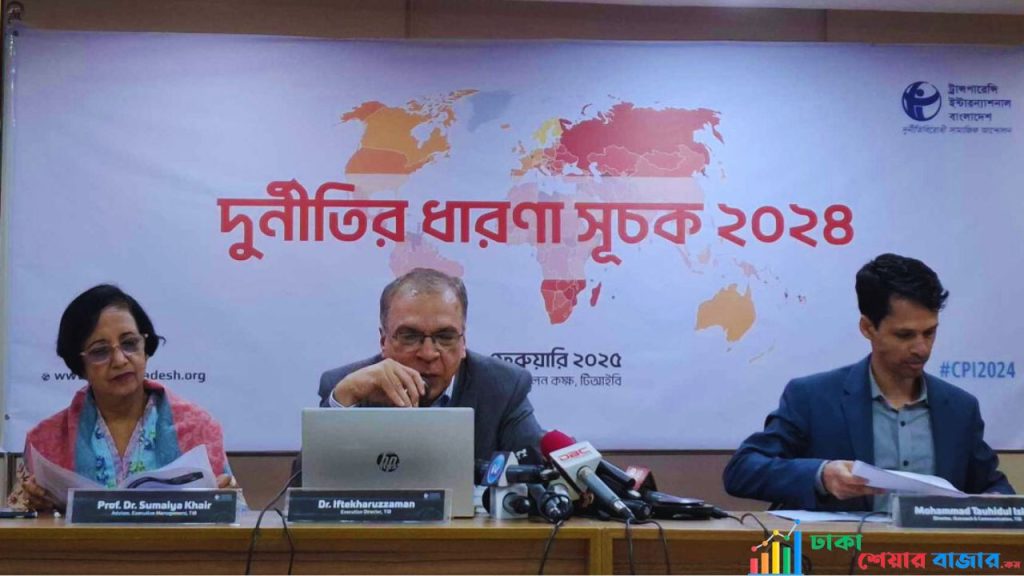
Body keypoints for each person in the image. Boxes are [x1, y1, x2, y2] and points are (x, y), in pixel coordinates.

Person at [723, 253, 1014, 511]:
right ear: (867, 327)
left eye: (929, 333)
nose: (922, 348)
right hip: (845, 553)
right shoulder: (812, 398)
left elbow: (994, 486)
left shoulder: (960, 408)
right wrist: (822, 475)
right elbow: (742, 470)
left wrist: (995, 501)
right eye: (905, 335)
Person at [7, 284, 234, 511]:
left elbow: (234, 518)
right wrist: (38, 508)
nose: (120, 360)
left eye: (129, 344)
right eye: (100, 351)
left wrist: (226, 499)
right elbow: (16, 523)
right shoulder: (45, 442)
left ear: (145, 347)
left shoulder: (198, 429)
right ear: (79, 365)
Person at [318, 268, 544, 461]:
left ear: (463, 342)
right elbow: (307, 484)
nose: (428, 354)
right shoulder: (348, 386)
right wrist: (345, 397)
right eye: (409, 336)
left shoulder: (503, 387)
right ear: (383, 341)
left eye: (445, 337)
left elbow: (540, 474)